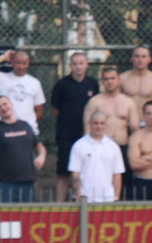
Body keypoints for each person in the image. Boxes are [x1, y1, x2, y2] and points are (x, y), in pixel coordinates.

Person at [0, 96, 46, 203]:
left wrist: (41, 156)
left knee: (29, 219)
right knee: (3, 219)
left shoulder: (25, 126)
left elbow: (40, 147)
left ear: (11, 104)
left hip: (27, 184)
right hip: (3, 185)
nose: (3, 108)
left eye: (5, 104)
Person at [83, 67, 139, 197]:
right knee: (103, 182)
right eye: (106, 79)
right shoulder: (95, 102)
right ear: (102, 81)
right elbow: (87, 128)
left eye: (112, 78)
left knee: (125, 185)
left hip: (122, 147)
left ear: (119, 80)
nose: (109, 82)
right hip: (100, 149)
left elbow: (135, 130)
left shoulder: (128, 102)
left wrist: (134, 151)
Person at [50, 52, 99, 202]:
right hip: (66, 135)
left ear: (87, 64)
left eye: (81, 63)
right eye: (75, 64)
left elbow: (96, 107)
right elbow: (54, 109)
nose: (78, 67)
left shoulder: (92, 84)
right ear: (70, 65)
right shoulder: (61, 85)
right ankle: (59, 205)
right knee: (64, 171)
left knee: (87, 170)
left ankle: (82, 201)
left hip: (87, 135)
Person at [0, 49, 46, 135]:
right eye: (18, 63)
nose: (21, 66)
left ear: (28, 63)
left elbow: (39, 110)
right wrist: (4, 57)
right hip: (5, 130)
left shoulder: (35, 82)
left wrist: (28, 123)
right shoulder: (2, 78)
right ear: (12, 62)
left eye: (24, 63)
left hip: (28, 130)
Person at [69, 111, 125, 203]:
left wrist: (116, 197)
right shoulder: (79, 145)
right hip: (85, 198)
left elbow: (117, 174)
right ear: (90, 124)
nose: (98, 126)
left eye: (102, 123)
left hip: (108, 198)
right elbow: (75, 173)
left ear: (106, 125)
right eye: (95, 123)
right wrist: (78, 194)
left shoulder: (113, 147)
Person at [120, 45, 152, 127]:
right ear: (132, 59)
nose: (140, 60)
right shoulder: (122, 78)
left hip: (148, 124)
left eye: (144, 57)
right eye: (137, 56)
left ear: (149, 60)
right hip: (127, 123)